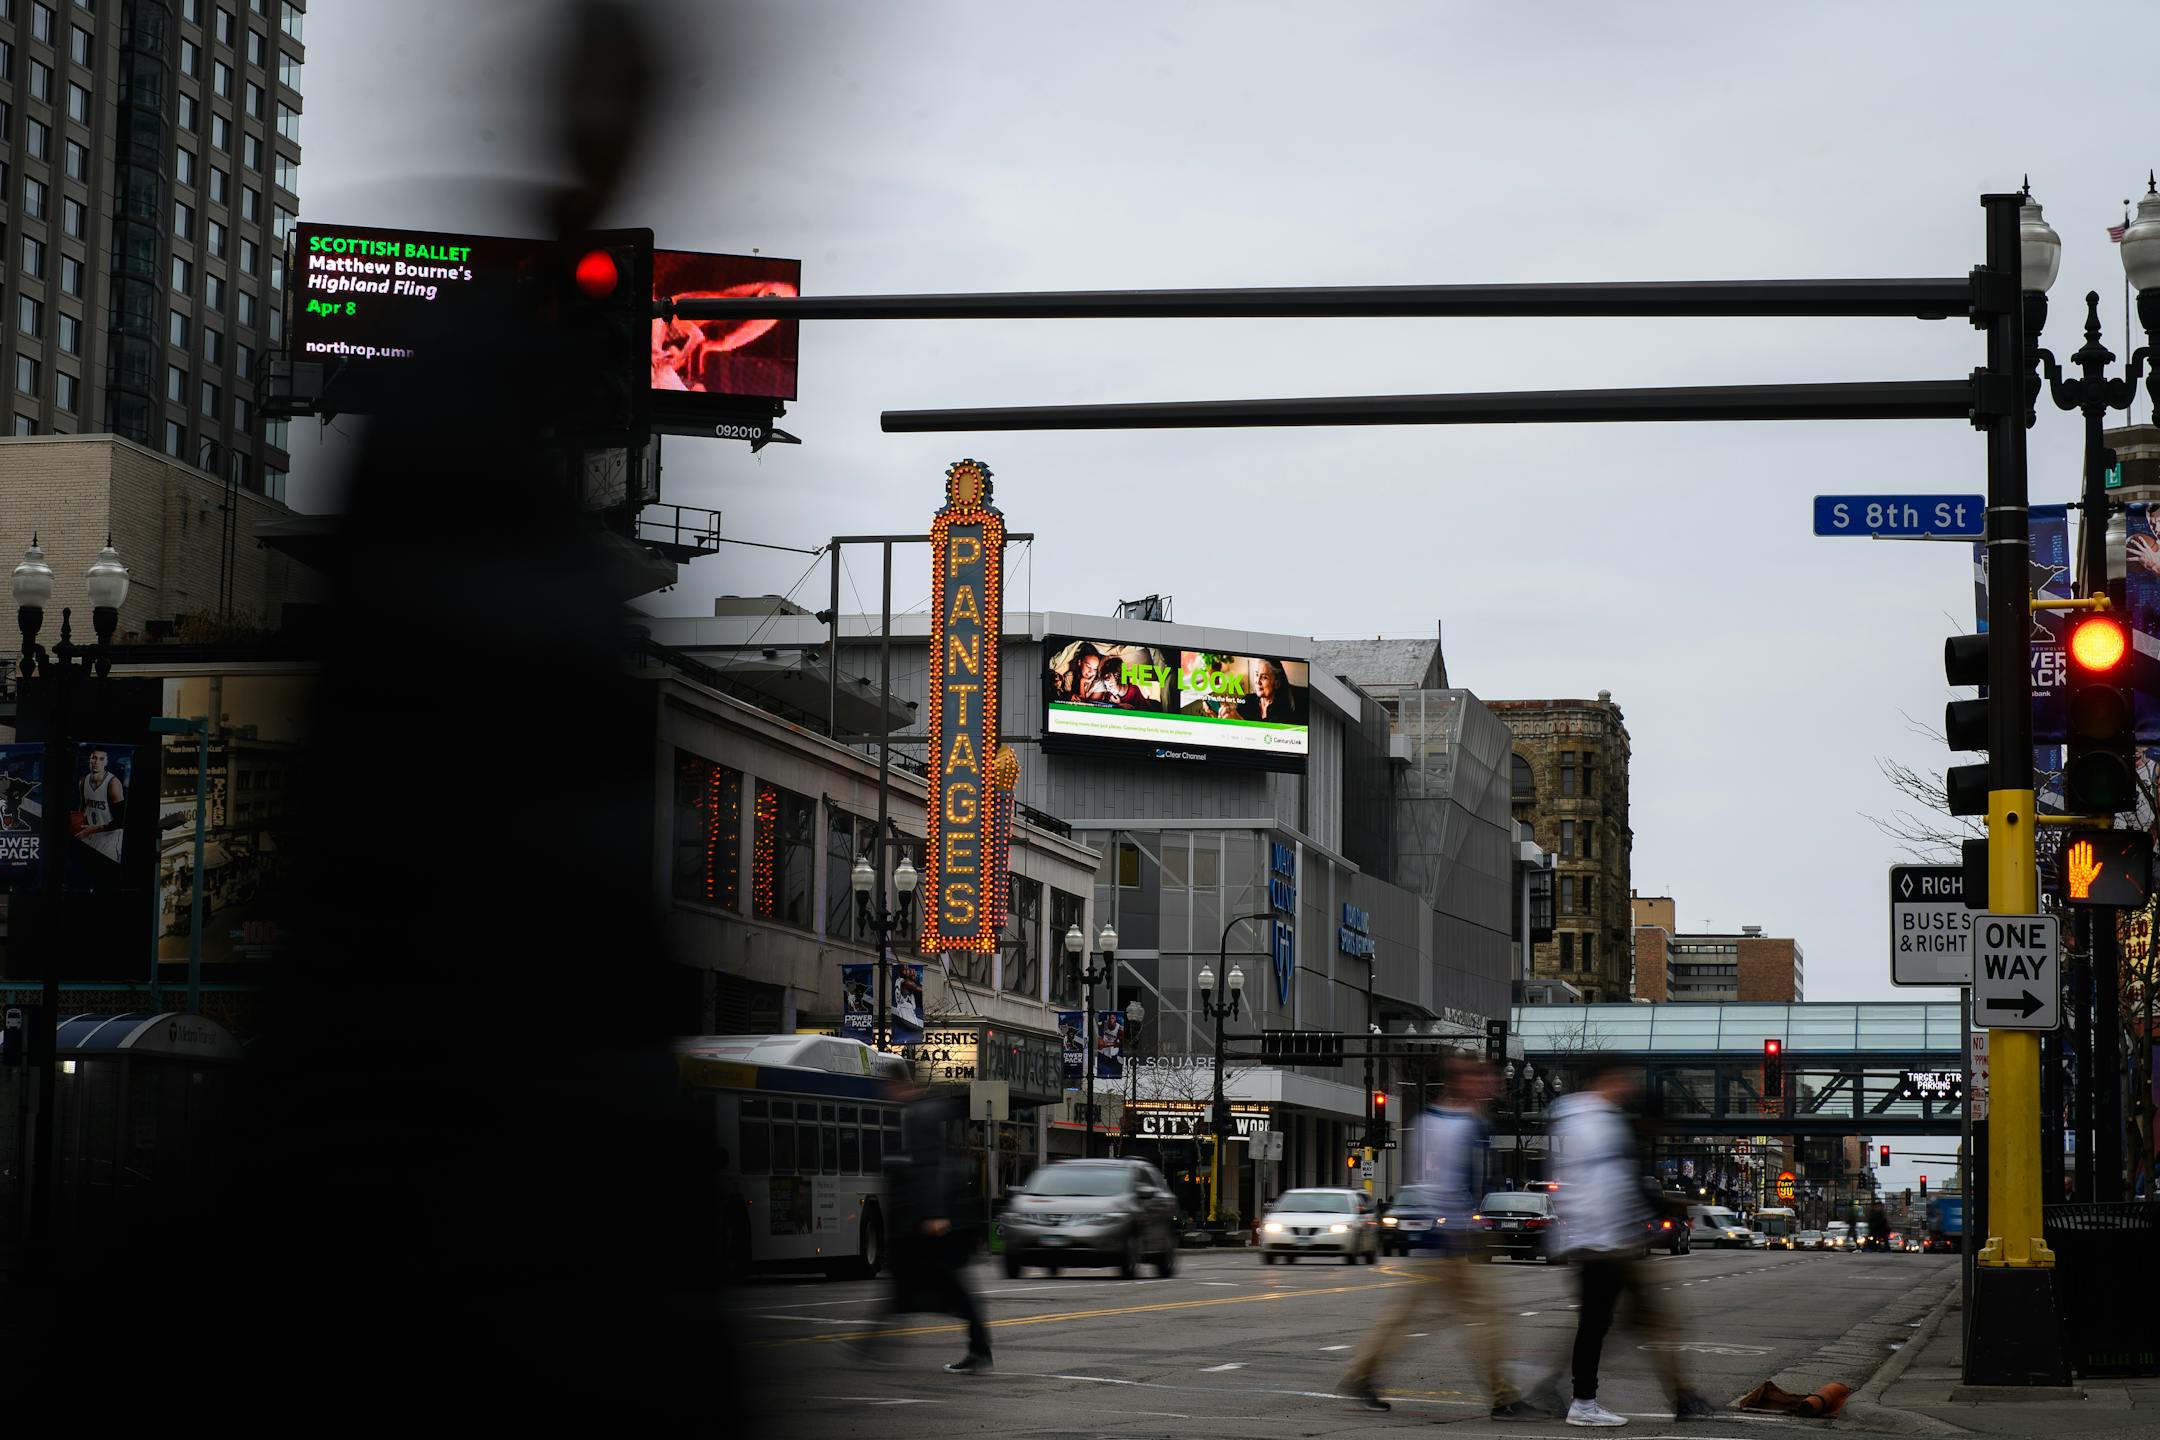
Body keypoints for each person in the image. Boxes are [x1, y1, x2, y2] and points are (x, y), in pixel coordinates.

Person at [1341, 1057, 1539, 1419]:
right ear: (1459, 1082)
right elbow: (1449, 1184)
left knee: (1406, 1317)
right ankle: (1503, 1396)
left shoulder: (1428, 1121)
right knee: (1488, 1317)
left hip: (1437, 1237)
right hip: (1451, 1237)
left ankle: (1362, 1374)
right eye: (1478, 1078)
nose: (1487, 1085)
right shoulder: (1463, 1125)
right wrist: (1466, 1231)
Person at [1547, 1063, 1715, 1427]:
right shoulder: (1596, 1123)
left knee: (1633, 1321)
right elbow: (1607, 1183)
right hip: (1602, 1242)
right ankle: (1583, 1402)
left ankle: (1681, 1396)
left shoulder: (1588, 1119)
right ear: (1605, 1079)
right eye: (1622, 1078)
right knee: (1600, 1323)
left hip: (1610, 1241)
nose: (1628, 1087)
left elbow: (1611, 1180)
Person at [870, 1076, 993, 1372]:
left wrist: (934, 1215)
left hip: (934, 1222)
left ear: (900, 1086)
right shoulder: (926, 1112)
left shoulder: (921, 1115)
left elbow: (930, 1167)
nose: (889, 1094)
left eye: (890, 1088)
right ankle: (869, 1345)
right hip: (931, 1220)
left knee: (950, 1288)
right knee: (916, 1287)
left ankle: (979, 1349)